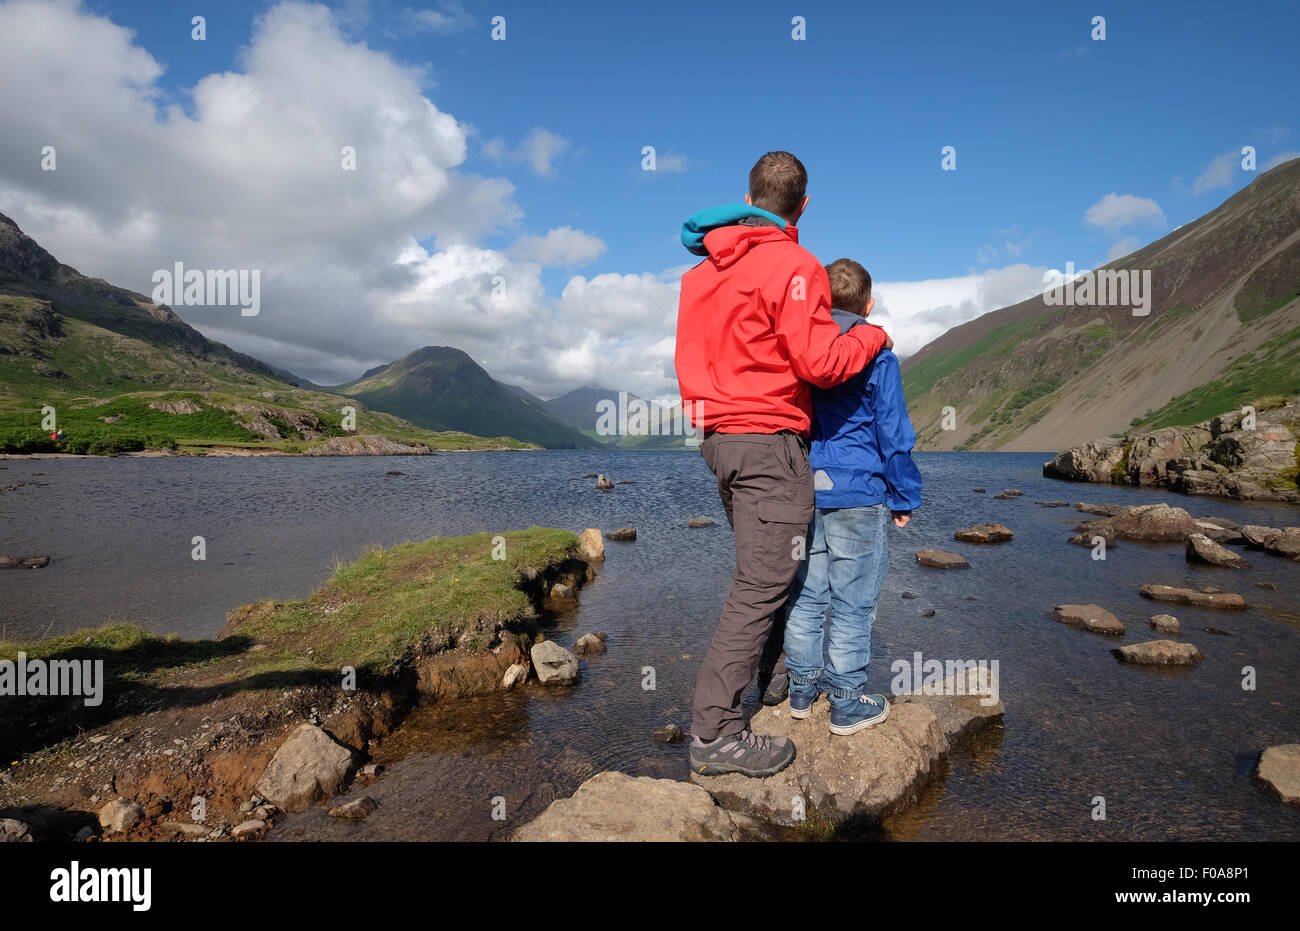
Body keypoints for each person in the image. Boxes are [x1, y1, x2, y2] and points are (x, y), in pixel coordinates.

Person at [674, 152, 892, 777]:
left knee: (761, 572)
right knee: (764, 584)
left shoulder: (700, 275)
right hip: (770, 443)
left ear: (749, 194)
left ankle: (767, 686)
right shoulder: (796, 266)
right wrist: (872, 336)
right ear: (804, 203)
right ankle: (716, 734)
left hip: (719, 440)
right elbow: (821, 363)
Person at [783, 258, 923, 735]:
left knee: (805, 592)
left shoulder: (800, 349)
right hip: (859, 492)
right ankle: (845, 702)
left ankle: (801, 690)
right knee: (853, 601)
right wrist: (904, 497)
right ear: (869, 304)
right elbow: (894, 432)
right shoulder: (877, 355)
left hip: (805, 490)